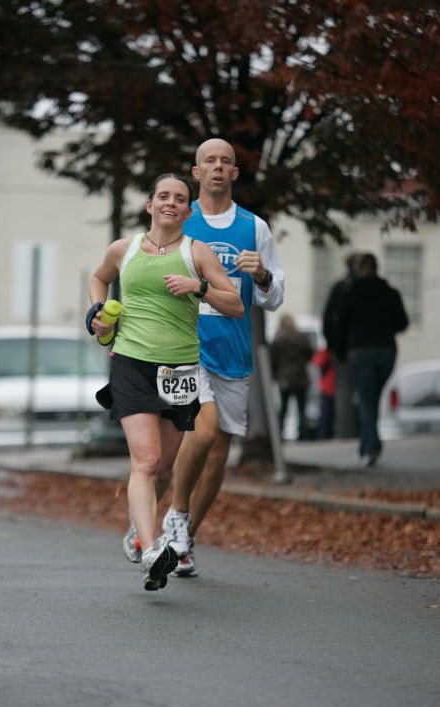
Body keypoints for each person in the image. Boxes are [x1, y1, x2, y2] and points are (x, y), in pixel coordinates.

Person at [123, 138, 284, 577]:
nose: (217, 167)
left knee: (217, 451)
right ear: (196, 173)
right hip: (183, 344)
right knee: (203, 429)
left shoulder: (255, 228)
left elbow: (273, 299)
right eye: (208, 161)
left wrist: (263, 275)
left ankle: (184, 535)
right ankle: (169, 518)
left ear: (234, 173)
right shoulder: (181, 223)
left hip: (233, 346)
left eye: (226, 162)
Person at [87, 173, 243, 591]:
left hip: (180, 372)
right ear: (150, 204)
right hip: (132, 364)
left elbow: (236, 305)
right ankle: (155, 549)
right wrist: (98, 312)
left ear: (188, 211)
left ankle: (137, 531)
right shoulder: (125, 248)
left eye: (179, 198)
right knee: (147, 460)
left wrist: (200, 286)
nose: (171, 203)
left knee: (164, 469)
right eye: (163, 196)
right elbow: (98, 277)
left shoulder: (198, 252)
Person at [335, 252, 409, 466]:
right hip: (386, 351)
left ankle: (370, 447)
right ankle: (368, 445)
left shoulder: (351, 293)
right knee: (372, 399)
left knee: (366, 399)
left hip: (360, 351)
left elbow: (341, 326)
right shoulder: (390, 293)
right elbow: (402, 323)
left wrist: (340, 352)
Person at [322, 254, 360, 438]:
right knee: (365, 393)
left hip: (343, 348)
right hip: (360, 346)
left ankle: (345, 433)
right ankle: (360, 432)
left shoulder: (340, 287)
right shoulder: (370, 287)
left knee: (343, 391)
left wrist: (332, 345)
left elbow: (328, 318)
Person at [269, 314, 315, 440]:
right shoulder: (302, 337)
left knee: (284, 408)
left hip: (284, 378)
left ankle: (279, 435)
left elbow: (272, 360)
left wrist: (275, 376)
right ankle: (303, 435)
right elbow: (310, 354)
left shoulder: (278, 340)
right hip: (301, 377)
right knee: (302, 409)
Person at [312, 345, 336, 439]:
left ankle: (325, 434)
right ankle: (325, 435)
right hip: (328, 387)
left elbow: (316, 362)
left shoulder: (326, 352)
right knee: (327, 413)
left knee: (327, 413)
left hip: (328, 387)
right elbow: (317, 362)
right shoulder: (326, 352)